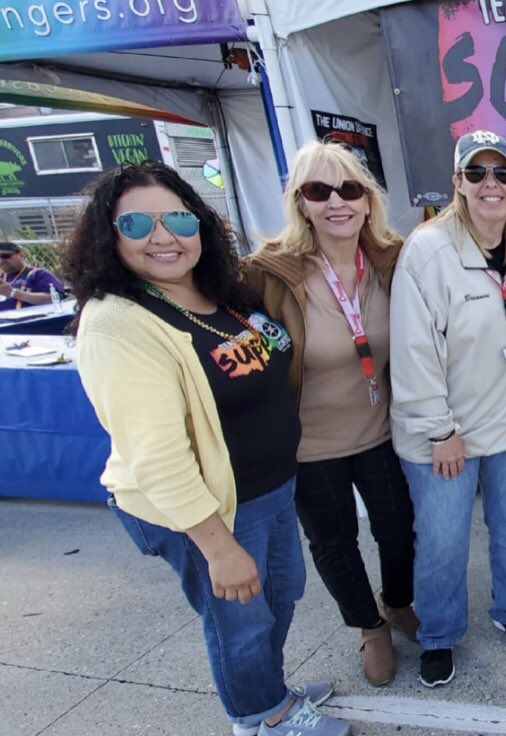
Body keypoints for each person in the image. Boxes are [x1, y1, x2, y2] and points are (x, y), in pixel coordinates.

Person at [61, 162, 349, 736]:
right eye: (139, 222)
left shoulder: (220, 293)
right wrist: (217, 547)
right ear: (109, 234)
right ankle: (258, 716)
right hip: (210, 509)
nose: (163, 236)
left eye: (179, 219)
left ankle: (270, 689)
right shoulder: (118, 324)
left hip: (268, 490)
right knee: (237, 621)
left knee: (279, 599)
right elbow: (156, 455)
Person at [243, 141, 417, 687]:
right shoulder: (267, 273)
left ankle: (398, 603)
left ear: (368, 200)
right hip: (307, 443)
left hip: (382, 430)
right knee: (335, 542)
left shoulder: (395, 258)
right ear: (301, 203)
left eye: (350, 189)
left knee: (398, 528)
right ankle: (370, 627)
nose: (336, 202)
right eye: (319, 191)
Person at [390, 130, 506, 686]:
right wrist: (439, 431)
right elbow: (413, 352)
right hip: (444, 434)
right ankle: (438, 633)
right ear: (457, 183)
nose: (491, 185)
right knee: (442, 543)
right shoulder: (427, 251)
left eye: (502, 174)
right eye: (476, 173)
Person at [0, 241, 65, 310]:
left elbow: (55, 298)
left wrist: (13, 292)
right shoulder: (2, 278)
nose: (1, 261)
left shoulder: (39, 274)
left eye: (5, 256)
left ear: (21, 254)